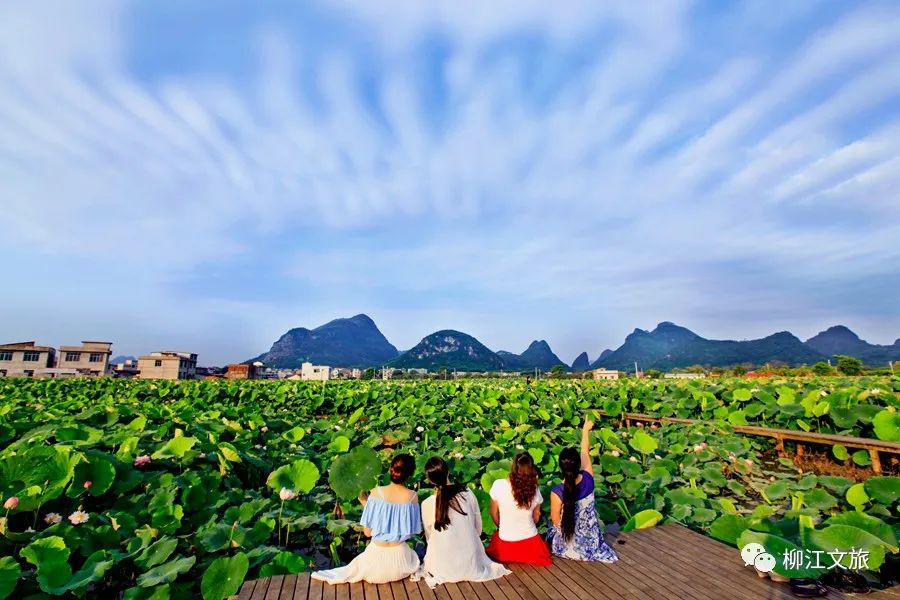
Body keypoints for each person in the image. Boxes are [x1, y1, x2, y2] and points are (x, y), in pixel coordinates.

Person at [312, 453, 422, 584]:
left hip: (375, 567)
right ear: (410, 474)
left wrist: (366, 504)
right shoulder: (412, 496)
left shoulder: (376, 492)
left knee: (354, 566)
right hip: (402, 564)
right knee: (413, 555)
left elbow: (368, 533)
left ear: (390, 469)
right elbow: (412, 531)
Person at [420, 457, 511, 588]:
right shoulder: (467, 494)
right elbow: (478, 528)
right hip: (471, 563)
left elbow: (430, 537)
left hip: (442, 566)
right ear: (448, 472)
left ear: (429, 480)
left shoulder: (427, 503)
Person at [546, 418, 618, 563]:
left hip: (569, 547)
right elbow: (585, 451)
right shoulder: (588, 478)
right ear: (578, 464)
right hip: (592, 543)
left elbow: (555, 521)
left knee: (549, 531)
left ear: (561, 467)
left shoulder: (557, 491)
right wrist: (585, 430)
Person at [486, 452, 552, 566]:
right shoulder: (535, 489)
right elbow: (536, 517)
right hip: (531, 546)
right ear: (531, 469)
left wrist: (502, 526)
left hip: (505, 546)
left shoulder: (499, 485)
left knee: (496, 540)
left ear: (513, 467)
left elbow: (493, 513)